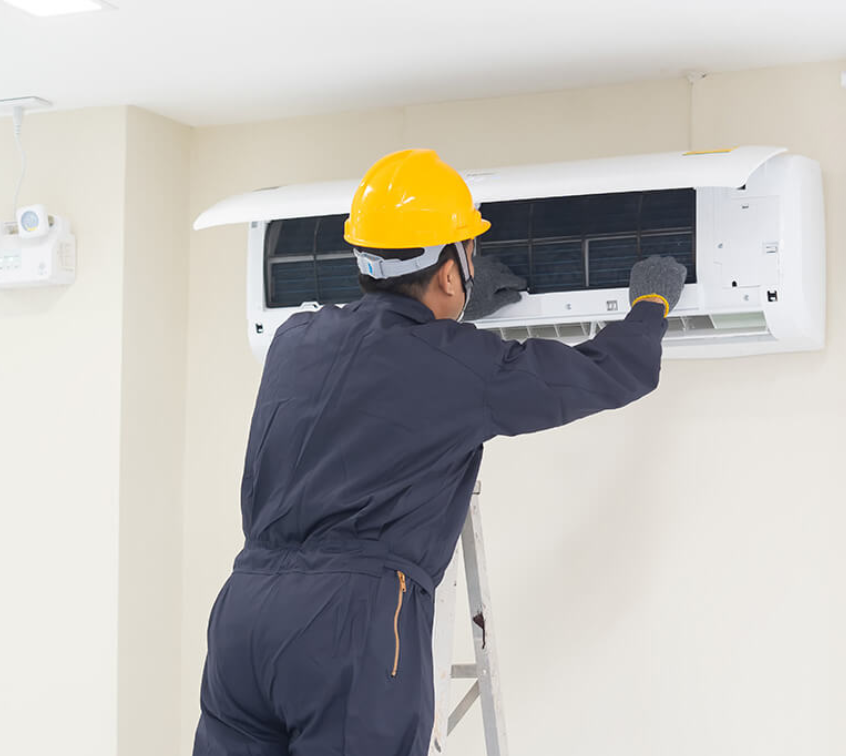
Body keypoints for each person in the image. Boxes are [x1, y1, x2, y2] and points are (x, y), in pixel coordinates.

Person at [193, 149, 687, 756]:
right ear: (451, 271)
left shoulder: (295, 340)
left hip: (245, 611)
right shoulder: (464, 368)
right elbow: (610, 371)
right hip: (348, 622)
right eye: (467, 253)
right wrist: (650, 307)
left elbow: (376, 351)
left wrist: (443, 317)